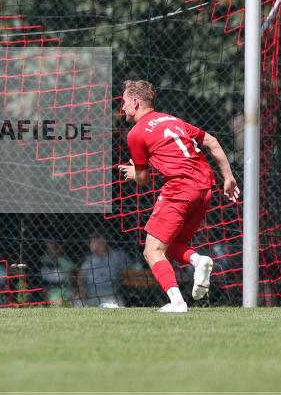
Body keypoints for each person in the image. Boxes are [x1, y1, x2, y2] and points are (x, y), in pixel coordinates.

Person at [117, 80, 240, 313]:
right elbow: (212, 142)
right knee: (174, 246)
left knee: (151, 250)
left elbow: (143, 179)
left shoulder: (136, 133)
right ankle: (198, 261)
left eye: (123, 102)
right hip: (205, 189)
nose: (122, 108)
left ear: (135, 101)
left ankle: (177, 301)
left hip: (179, 190)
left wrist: (134, 174)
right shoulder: (173, 120)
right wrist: (228, 177)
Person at [78, 233, 128, 308]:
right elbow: (80, 278)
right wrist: (83, 292)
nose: (95, 245)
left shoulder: (117, 256)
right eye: (92, 242)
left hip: (112, 294)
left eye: (98, 241)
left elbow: (131, 268)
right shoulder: (89, 260)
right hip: (92, 295)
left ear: (105, 242)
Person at [39, 239, 76, 306]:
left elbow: (71, 270)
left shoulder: (64, 259)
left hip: (66, 288)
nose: (51, 250)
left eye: (54, 247)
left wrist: (58, 258)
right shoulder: (43, 260)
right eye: (48, 247)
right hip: (52, 291)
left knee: (75, 299)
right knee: (57, 303)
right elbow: (44, 280)